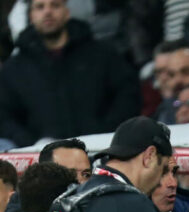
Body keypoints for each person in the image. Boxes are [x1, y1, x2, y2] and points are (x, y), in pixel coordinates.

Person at [0, 0, 140, 149]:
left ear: (67, 12)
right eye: (40, 7)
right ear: (31, 16)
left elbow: (127, 95)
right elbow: (5, 116)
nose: (48, 11)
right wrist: (33, 144)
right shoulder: (14, 69)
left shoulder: (103, 55)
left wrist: (105, 133)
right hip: (40, 160)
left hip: (101, 150)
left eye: (55, 5)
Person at [0, 138, 91, 212]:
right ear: (45, 172)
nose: (81, 181)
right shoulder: (24, 208)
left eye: (86, 174)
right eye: (70, 173)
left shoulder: (97, 204)